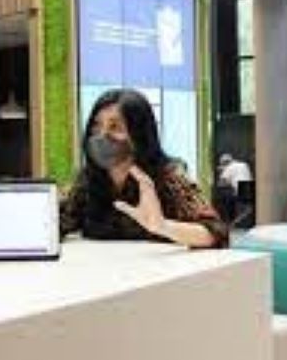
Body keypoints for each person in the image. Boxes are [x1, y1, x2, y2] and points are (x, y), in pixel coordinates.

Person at [61, 89, 227, 248]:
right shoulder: (89, 179)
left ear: (138, 135)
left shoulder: (168, 177)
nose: (102, 135)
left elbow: (215, 232)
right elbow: (61, 220)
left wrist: (162, 226)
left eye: (115, 127)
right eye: (96, 126)